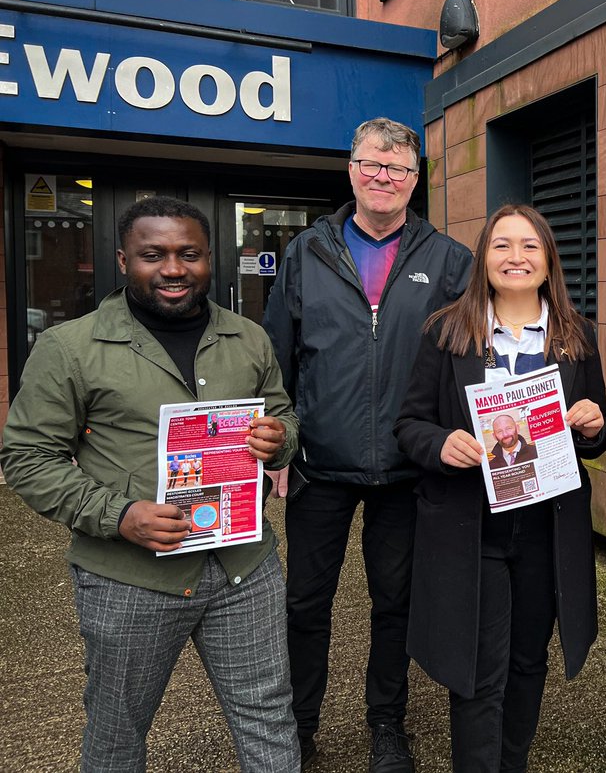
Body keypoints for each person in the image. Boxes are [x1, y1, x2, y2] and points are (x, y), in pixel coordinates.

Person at [1, 197, 300, 772]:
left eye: (189, 254)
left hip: (243, 565)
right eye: (153, 254)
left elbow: (284, 416)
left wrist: (277, 438)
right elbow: (28, 457)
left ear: (210, 259)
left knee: (268, 717)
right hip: (131, 578)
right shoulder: (70, 348)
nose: (172, 268)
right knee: (117, 733)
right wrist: (118, 515)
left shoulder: (249, 338)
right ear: (122, 260)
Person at [263, 117, 472, 771]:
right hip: (319, 467)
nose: (384, 178)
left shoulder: (449, 260)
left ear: (416, 179)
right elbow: (275, 360)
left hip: (409, 472)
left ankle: (387, 724)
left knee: (395, 605)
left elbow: (469, 363)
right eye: (372, 165)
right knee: (305, 603)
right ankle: (298, 727)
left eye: (399, 169)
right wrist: (279, 451)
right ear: (350, 169)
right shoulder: (307, 252)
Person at [394, 204, 606, 772]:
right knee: (477, 669)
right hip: (473, 528)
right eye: (501, 245)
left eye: (529, 247)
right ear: (483, 259)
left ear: (548, 262)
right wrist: (441, 444)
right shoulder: (447, 331)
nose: (515, 257)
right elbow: (410, 424)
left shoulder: (577, 336)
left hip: (546, 527)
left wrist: (594, 424)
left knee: (527, 662)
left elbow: (597, 432)